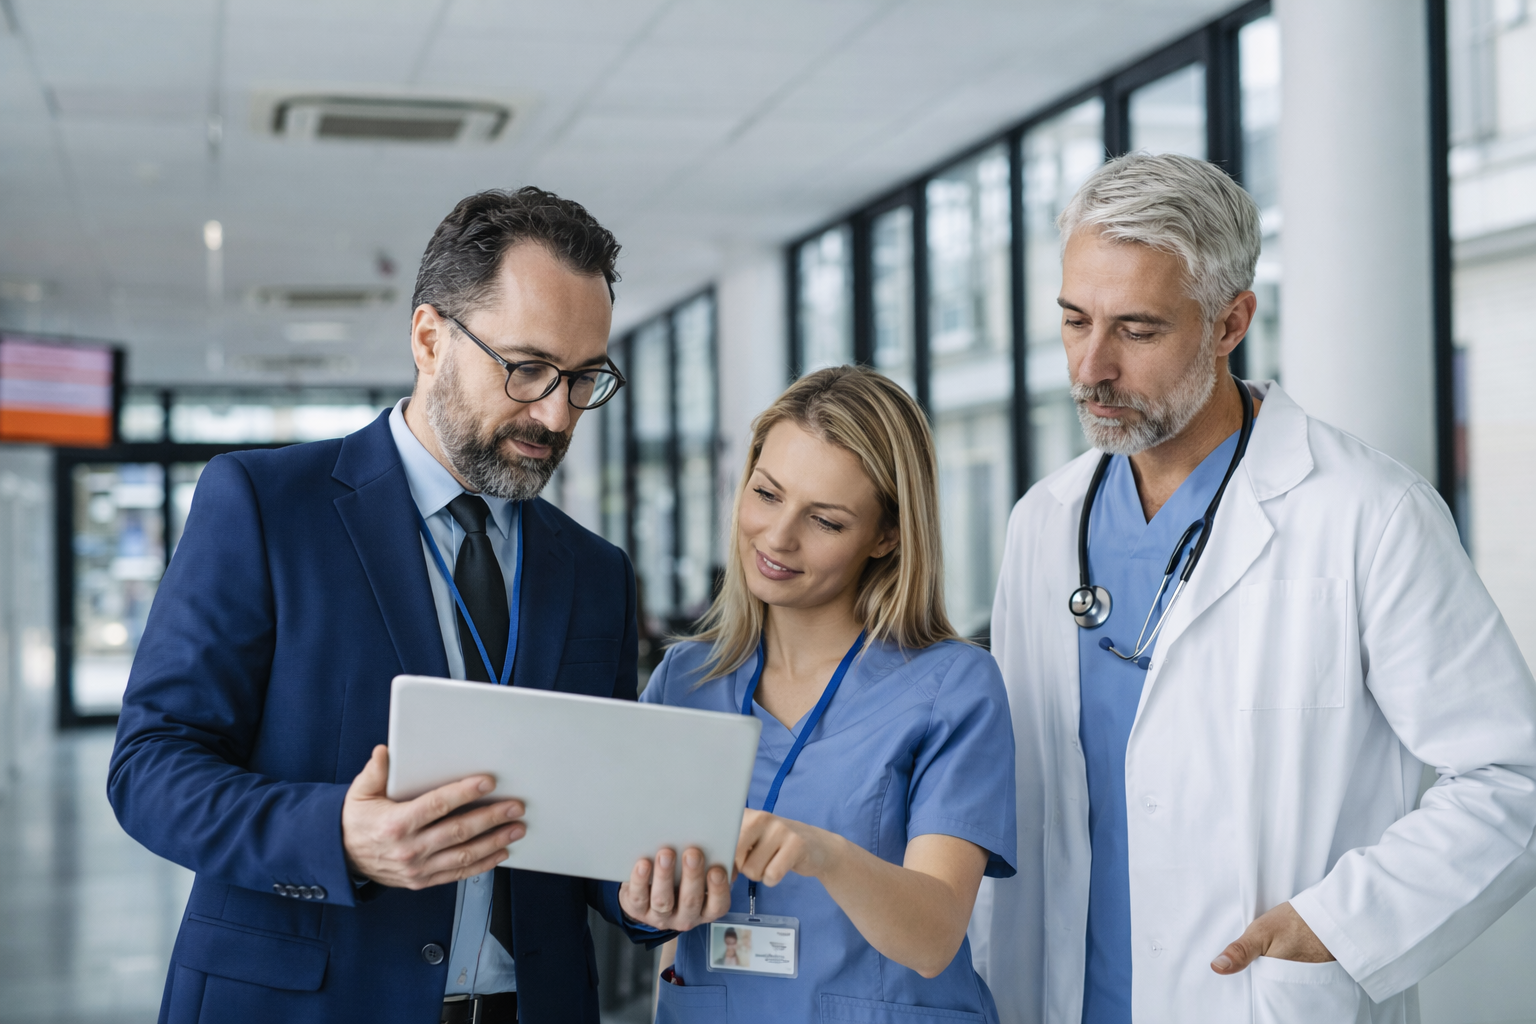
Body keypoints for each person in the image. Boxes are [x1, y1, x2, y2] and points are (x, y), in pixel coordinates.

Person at [108, 187, 727, 1024]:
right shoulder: (264, 505)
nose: (555, 413)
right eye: (528, 368)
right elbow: (149, 767)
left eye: (585, 379)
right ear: (430, 337)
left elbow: (592, 823)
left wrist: (644, 895)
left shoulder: (596, 573)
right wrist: (338, 836)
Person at [967, 152, 1536, 1023]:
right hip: (1062, 996)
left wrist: (1338, 925)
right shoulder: (1045, 521)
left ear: (1232, 322)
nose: (1092, 367)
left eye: (1138, 330)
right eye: (1075, 321)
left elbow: (1509, 773)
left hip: (1256, 996)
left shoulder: (1367, 514)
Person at [639, 366, 1018, 1023]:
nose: (779, 537)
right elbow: (637, 888)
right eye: (766, 493)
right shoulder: (682, 682)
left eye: (825, 520)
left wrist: (826, 855)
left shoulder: (953, 687)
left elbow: (932, 938)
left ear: (887, 535)